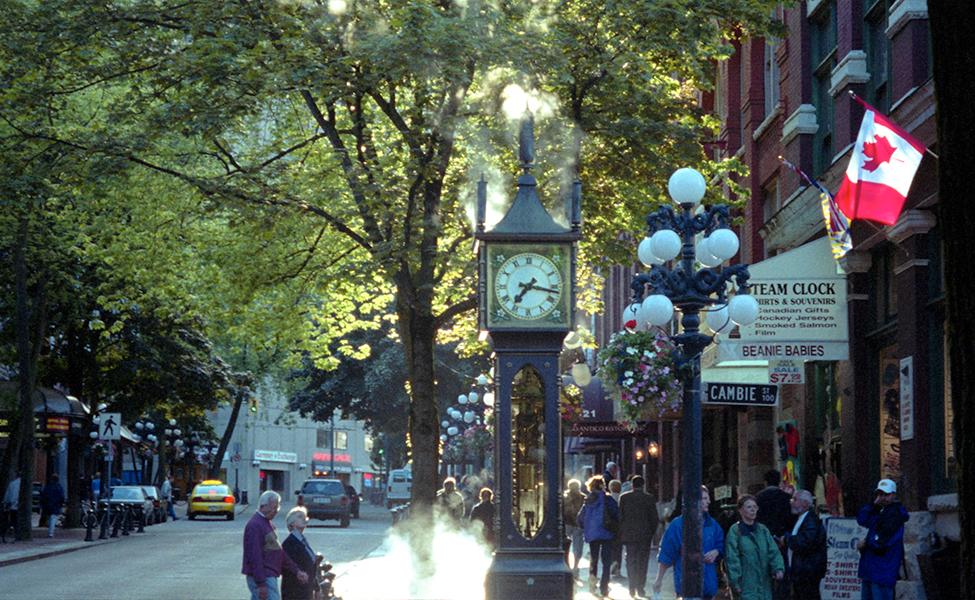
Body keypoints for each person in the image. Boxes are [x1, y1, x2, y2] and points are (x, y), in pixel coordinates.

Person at [652, 486, 725, 600]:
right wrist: (659, 579)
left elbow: (721, 544)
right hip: (687, 587)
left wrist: (716, 552)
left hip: (708, 586)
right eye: (705, 498)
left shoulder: (713, 525)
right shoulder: (677, 526)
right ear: (694, 501)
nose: (709, 502)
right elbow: (667, 554)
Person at [242, 490, 308, 600]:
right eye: (273, 508)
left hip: (267, 577)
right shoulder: (255, 525)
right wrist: (261, 584)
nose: (276, 511)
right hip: (264, 578)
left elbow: (279, 552)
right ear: (262, 506)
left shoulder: (266, 524)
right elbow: (254, 557)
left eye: (277, 508)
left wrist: (296, 570)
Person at [856, 479, 909, 600]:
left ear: (894, 495)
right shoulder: (881, 512)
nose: (883, 498)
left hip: (882, 572)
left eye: (886, 494)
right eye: (880, 494)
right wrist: (873, 504)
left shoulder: (895, 515)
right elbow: (862, 519)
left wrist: (864, 543)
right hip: (871, 570)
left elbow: (882, 542)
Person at [724, 494, 784, 600]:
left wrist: (778, 568)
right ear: (741, 511)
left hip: (765, 588)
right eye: (749, 507)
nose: (753, 510)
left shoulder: (763, 530)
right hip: (745, 587)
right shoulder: (735, 531)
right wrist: (735, 583)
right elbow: (732, 558)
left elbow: (773, 551)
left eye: (755, 507)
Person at [777, 489, 826, 600]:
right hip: (802, 573)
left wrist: (786, 540)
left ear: (804, 503)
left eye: (795, 499)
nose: (792, 502)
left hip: (807, 573)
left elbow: (805, 542)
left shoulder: (811, 520)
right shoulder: (803, 519)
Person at [756, 469, 795, 600]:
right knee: (782, 574)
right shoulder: (787, 498)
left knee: (764, 574)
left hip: (763, 542)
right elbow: (792, 521)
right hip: (781, 541)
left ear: (765, 482)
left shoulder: (758, 498)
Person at [618, 475, 658, 599]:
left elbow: (620, 517)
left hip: (629, 536)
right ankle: (640, 588)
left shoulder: (624, 498)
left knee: (631, 560)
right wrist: (651, 532)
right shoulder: (649, 498)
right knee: (643, 562)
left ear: (632, 485)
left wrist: (622, 533)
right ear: (643, 485)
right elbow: (654, 518)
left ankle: (631, 587)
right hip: (645, 536)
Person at [578, 475, 618, 598]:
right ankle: (604, 587)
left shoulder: (588, 500)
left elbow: (580, 518)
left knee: (593, 560)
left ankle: (592, 585)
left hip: (592, 534)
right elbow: (616, 513)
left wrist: (586, 527)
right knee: (606, 562)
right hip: (606, 532)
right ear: (601, 486)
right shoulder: (608, 499)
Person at [281, 507, 319, 600]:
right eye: (299, 517)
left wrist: (317, 588)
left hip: (306, 590)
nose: (304, 519)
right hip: (295, 592)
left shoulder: (303, 541)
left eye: (305, 517)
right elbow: (287, 568)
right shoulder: (289, 543)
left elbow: (311, 566)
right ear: (292, 523)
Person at [563, 479, 587, 578]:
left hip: (567, 523)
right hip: (578, 525)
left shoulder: (565, 497)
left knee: (566, 547)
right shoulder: (583, 497)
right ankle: (575, 569)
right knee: (578, 548)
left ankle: (567, 566)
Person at [608, 478, 623, 577]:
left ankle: (612, 562)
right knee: (619, 547)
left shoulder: (608, 498)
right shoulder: (622, 498)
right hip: (620, 526)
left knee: (609, 547)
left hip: (609, 526)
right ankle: (618, 569)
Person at [2, 475, 20, 542]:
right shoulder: (24, 485)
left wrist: (6, 502)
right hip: (18, 505)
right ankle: (14, 530)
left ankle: (11, 527)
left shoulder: (12, 484)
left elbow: (7, 494)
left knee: (12, 517)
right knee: (16, 520)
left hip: (12, 505)